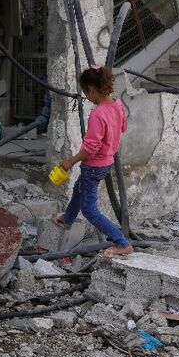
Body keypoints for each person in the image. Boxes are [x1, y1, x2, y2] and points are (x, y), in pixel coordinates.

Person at [53, 66, 134, 256]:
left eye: (85, 93)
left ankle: (122, 243)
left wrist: (69, 162)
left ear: (90, 89)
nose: (86, 96)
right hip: (106, 162)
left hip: (93, 165)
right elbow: (123, 127)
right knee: (78, 189)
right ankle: (67, 218)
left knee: (89, 209)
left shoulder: (98, 114)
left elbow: (90, 149)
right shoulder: (117, 105)